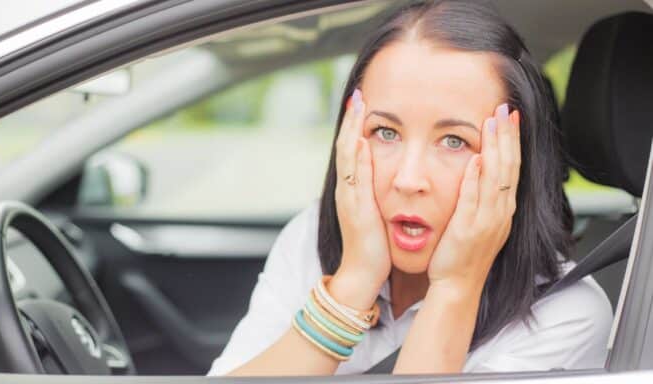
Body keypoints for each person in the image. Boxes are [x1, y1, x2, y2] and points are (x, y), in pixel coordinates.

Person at [207, 0, 613, 376]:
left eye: (454, 141)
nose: (408, 178)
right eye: (385, 132)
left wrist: (456, 287)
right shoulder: (309, 237)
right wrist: (353, 283)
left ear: (514, 160)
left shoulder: (567, 314)